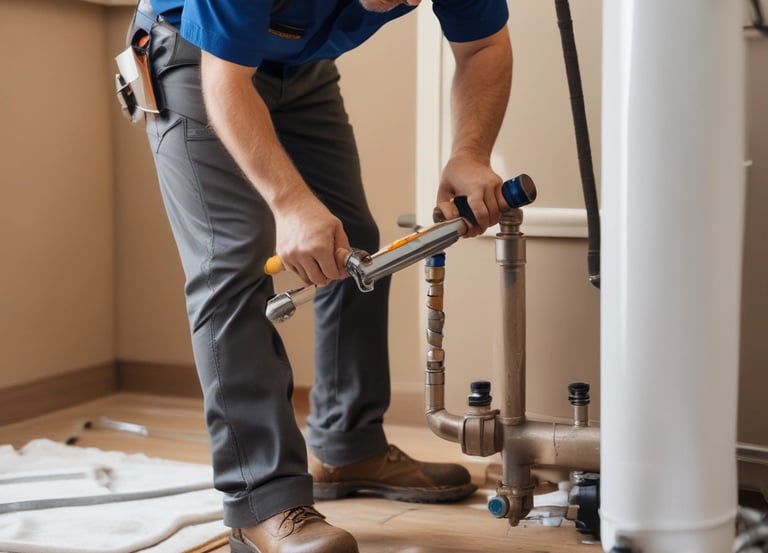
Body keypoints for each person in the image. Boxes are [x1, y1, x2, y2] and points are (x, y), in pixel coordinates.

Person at [127, 0, 512, 550]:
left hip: (298, 68)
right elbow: (224, 77)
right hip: (197, 55)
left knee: (353, 243)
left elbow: (484, 45)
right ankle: (262, 504)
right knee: (231, 264)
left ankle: (348, 445)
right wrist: (288, 202)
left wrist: (470, 154)